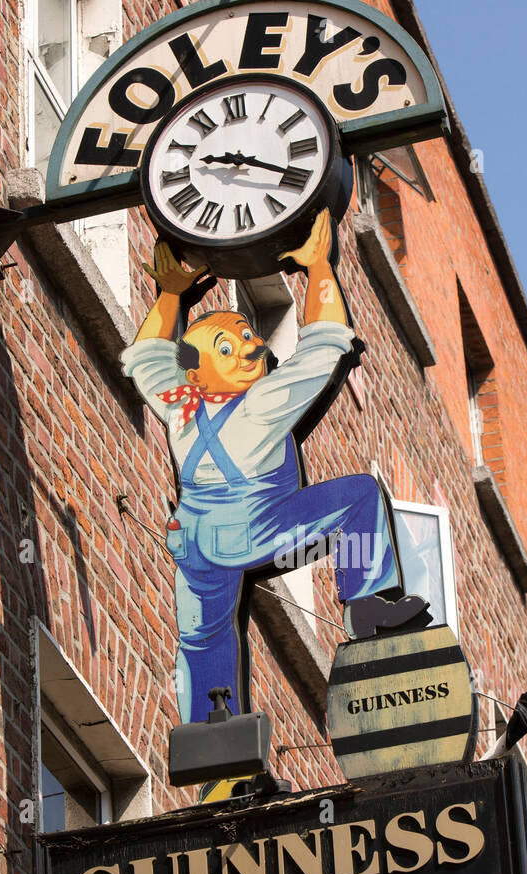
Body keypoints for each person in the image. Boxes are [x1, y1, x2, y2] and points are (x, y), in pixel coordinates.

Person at [121, 208, 428, 724]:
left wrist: (171, 293)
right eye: (229, 344)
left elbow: (146, 356)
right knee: (358, 498)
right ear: (199, 368)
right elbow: (324, 348)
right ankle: (367, 604)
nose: (248, 344)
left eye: (244, 332)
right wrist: (318, 268)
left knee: (204, 638)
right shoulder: (263, 403)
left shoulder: (179, 404)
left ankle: (211, 730)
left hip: (195, 542)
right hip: (255, 530)